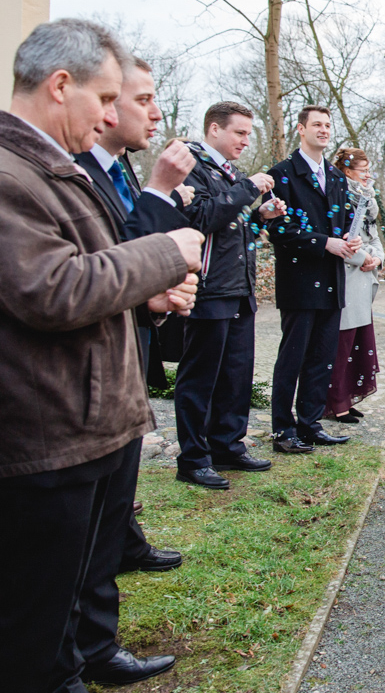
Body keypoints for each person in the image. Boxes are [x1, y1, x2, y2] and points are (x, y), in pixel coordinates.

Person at [0, 18, 203, 693]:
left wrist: (144, 291)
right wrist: (164, 252)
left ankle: (82, 661)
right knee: (33, 634)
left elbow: (90, 271)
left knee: (60, 614)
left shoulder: (48, 165)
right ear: (62, 86)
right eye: (106, 98)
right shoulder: (11, 174)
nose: (114, 115)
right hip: (47, 433)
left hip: (84, 426)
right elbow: (52, 287)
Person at [69, 56, 198, 685]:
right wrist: (157, 194)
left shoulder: (114, 168)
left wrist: (156, 298)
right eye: (143, 99)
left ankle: (94, 643)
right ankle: (81, 650)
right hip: (85, 378)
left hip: (126, 351)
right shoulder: (82, 173)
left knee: (109, 511)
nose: (155, 113)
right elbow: (107, 258)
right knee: (81, 529)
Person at [174, 101, 281, 488]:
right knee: (201, 377)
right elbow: (202, 219)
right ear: (214, 130)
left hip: (239, 287)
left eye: (248, 134)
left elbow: (232, 226)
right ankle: (193, 458)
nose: (245, 140)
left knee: (236, 373)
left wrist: (258, 217)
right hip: (208, 289)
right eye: (239, 132)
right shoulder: (190, 166)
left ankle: (227, 445)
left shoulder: (231, 172)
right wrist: (249, 188)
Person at [267, 105, 358, 452]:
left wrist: (350, 239)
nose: (323, 130)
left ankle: (310, 423)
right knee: (293, 356)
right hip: (299, 280)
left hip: (333, 279)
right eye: (316, 124)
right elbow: (278, 229)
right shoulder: (282, 173)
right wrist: (325, 243)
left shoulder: (336, 178)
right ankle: (282, 430)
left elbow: (344, 220)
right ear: (301, 130)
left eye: (327, 125)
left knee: (322, 355)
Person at [324, 147, 385, 423]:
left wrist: (377, 258)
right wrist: (364, 258)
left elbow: (372, 235)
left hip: (364, 277)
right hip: (347, 276)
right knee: (342, 342)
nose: (368, 175)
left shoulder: (367, 199)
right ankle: (334, 401)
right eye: (363, 170)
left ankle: (347, 396)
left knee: (359, 341)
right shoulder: (338, 195)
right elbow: (342, 238)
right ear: (347, 171)